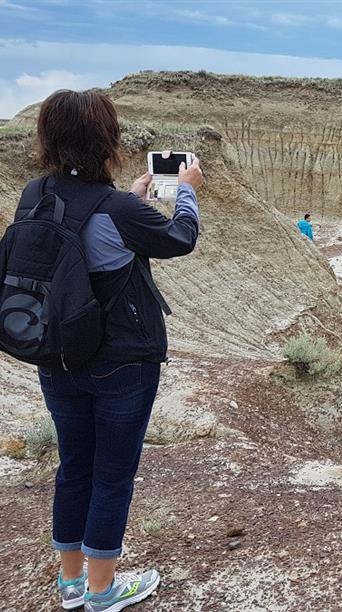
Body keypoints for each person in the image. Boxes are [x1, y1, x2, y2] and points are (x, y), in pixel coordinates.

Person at [26, 90, 203, 611]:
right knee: (112, 474)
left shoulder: (34, 195)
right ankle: (103, 591)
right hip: (122, 361)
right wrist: (187, 191)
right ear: (107, 139)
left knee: (73, 466)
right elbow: (178, 239)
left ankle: (71, 581)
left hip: (55, 356)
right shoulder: (117, 208)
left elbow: (89, 243)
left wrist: (129, 200)